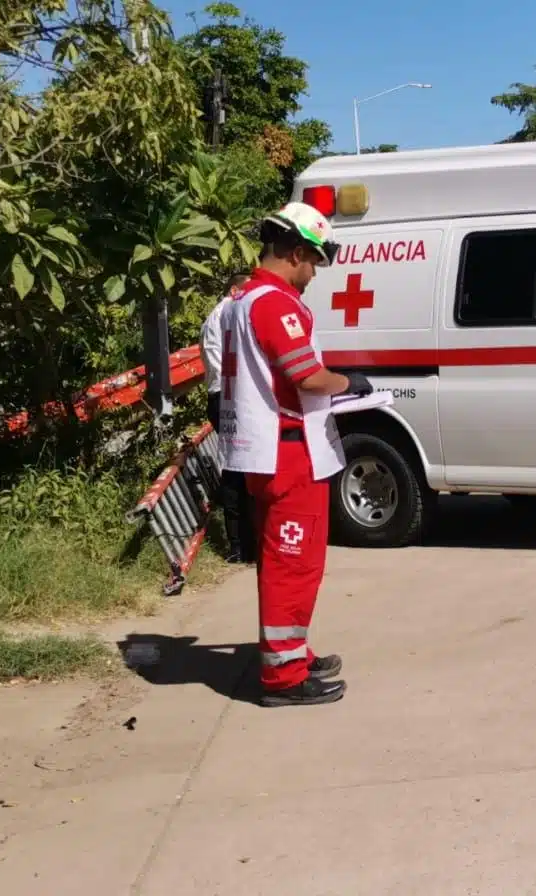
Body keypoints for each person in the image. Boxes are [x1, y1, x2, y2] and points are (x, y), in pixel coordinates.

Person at [220, 202, 372, 708]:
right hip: (290, 453)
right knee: (294, 564)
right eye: (314, 261)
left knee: (285, 560)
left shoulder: (240, 298)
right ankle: (283, 678)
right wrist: (351, 383)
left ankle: (292, 651)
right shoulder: (275, 303)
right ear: (295, 252)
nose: (314, 274)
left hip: (270, 452)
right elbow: (305, 376)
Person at [200, 272, 254, 563]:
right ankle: (237, 546)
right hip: (226, 397)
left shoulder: (236, 315)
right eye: (246, 290)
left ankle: (248, 542)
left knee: (246, 468)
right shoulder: (219, 318)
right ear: (234, 290)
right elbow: (219, 367)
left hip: (236, 397)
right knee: (236, 470)